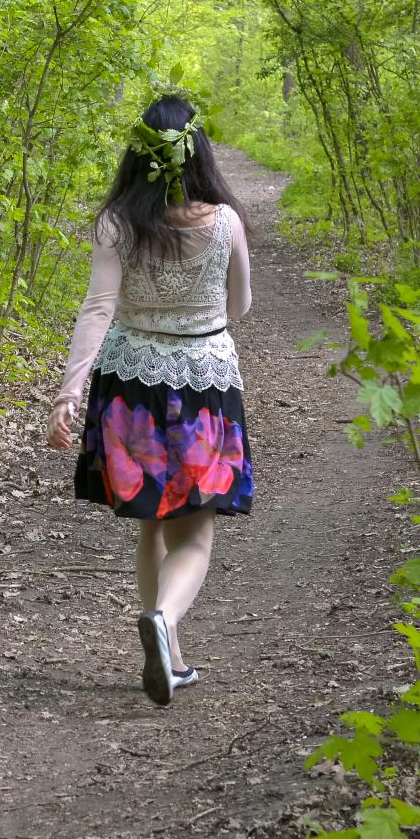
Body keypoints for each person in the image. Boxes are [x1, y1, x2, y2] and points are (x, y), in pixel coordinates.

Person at [45, 88, 254, 706]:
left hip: (128, 386)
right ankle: (165, 624)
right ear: (198, 156)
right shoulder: (226, 222)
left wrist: (67, 392)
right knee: (195, 532)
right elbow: (239, 306)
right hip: (204, 387)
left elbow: (99, 307)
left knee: (151, 523)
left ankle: (169, 651)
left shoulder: (117, 222)